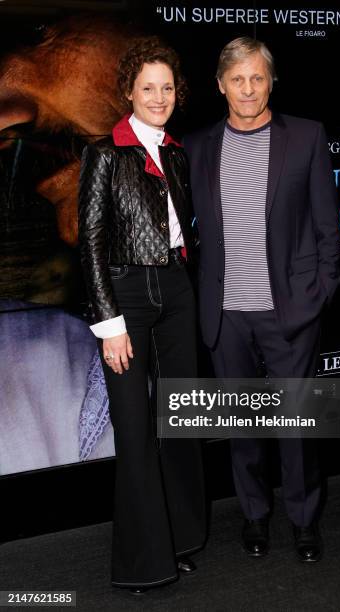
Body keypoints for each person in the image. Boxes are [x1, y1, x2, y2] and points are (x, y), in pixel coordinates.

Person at [184, 37, 340, 562]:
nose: (248, 89)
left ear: (271, 81)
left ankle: (303, 520)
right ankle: (253, 515)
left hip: (290, 310)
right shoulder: (198, 147)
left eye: (257, 78)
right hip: (226, 313)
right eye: (237, 79)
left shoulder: (306, 137)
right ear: (220, 85)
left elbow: (326, 227)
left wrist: (317, 294)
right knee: (243, 425)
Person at [78, 36, 206, 594]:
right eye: (148, 88)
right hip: (125, 297)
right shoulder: (105, 154)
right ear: (128, 92)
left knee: (178, 419)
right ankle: (142, 563)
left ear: (179, 93)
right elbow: (90, 241)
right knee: (134, 431)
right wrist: (108, 324)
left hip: (177, 291)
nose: (159, 97)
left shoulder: (176, 152)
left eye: (168, 88)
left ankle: (181, 538)